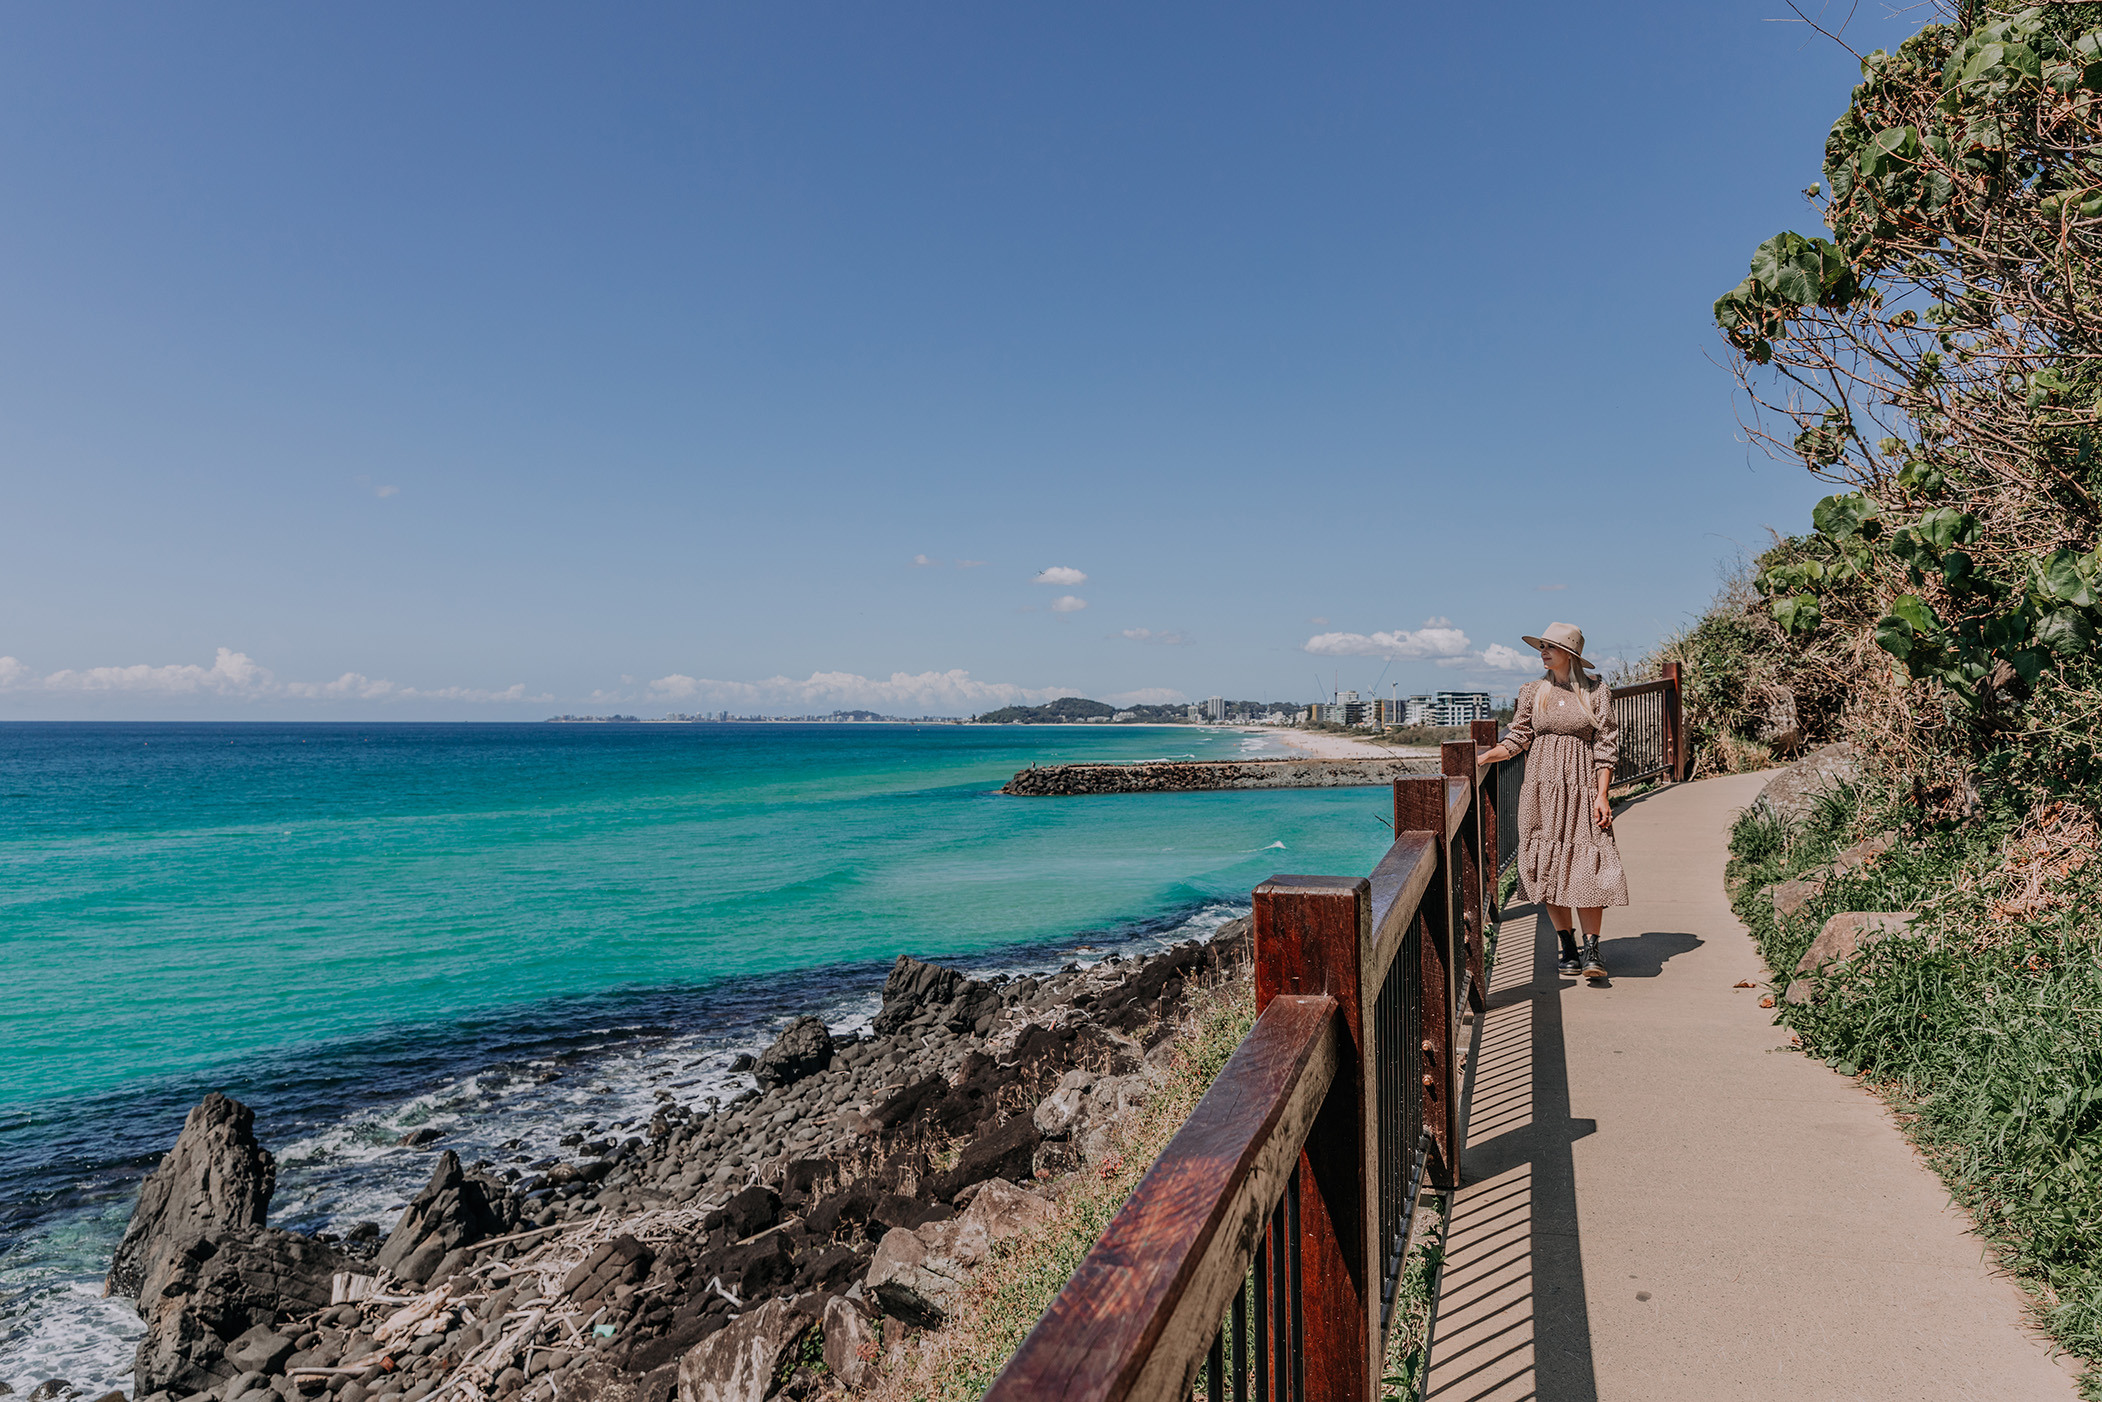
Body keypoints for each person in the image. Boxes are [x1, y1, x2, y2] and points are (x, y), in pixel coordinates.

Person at [1473, 622, 1630, 980]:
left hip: (1582, 788)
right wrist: (1483, 758)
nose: (1543, 652)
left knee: (1588, 860)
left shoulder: (1596, 693)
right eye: (1541, 646)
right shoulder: (1532, 692)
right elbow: (1519, 738)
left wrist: (1602, 795)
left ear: (1570, 655)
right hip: (1541, 790)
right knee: (1549, 865)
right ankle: (1567, 945)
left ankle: (1593, 948)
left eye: (1551, 647)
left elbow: (1606, 748)